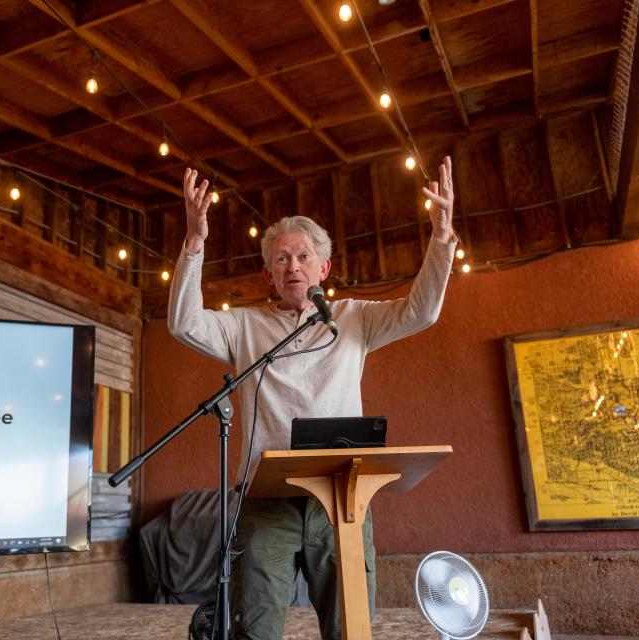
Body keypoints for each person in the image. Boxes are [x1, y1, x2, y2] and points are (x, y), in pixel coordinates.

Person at [168, 158, 457, 640]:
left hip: (340, 502)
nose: (292, 266)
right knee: (254, 631)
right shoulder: (243, 326)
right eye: (281, 259)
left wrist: (442, 238)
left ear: (323, 267)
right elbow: (183, 323)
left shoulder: (355, 318)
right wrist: (194, 244)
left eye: (302, 256)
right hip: (265, 505)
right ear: (268, 275)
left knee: (350, 630)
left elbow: (421, 311)